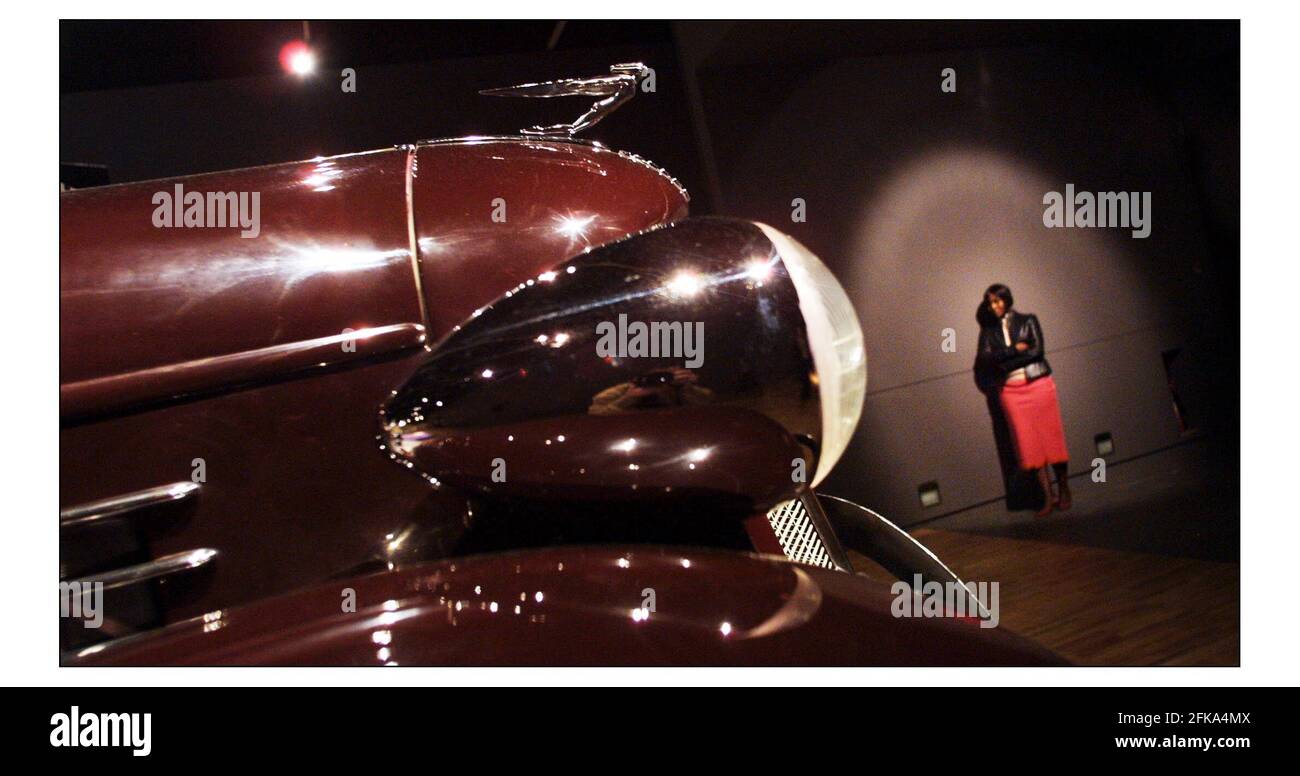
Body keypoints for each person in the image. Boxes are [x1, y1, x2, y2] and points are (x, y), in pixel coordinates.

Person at [976, 284, 1071, 516]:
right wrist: (1015, 350)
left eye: (998, 301)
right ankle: (1047, 497)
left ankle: (1064, 489)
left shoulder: (1028, 320)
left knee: (1052, 440)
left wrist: (1006, 360)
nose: (995, 306)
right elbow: (986, 360)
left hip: (1039, 384)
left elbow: (1037, 352)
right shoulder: (988, 331)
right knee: (1031, 448)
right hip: (1011, 392)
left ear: (1007, 299)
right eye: (991, 303)